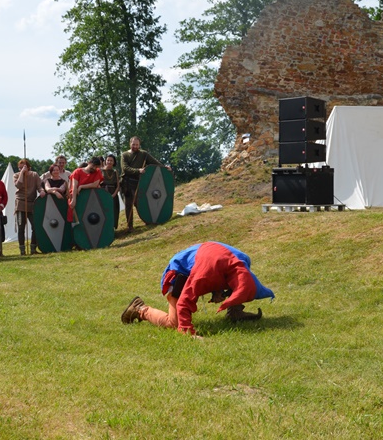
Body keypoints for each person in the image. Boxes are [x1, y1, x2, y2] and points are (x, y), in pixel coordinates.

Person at [121, 241, 274, 336]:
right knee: (173, 324)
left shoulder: (243, 261)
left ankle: (235, 312)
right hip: (178, 274)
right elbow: (184, 302)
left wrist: (219, 291)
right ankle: (140, 309)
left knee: (241, 282)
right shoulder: (205, 274)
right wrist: (187, 330)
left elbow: (234, 277)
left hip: (206, 263)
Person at [120, 137, 166, 233]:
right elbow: (125, 168)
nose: (135, 146)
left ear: (139, 145)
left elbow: (155, 163)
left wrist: (165, 168)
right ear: (130, 144)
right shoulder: (124, 155)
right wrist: (138, 170)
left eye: (137, 145)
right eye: (133, 144)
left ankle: (147, 220)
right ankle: (130, 226)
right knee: (128, 205)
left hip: (139, 182)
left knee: (140, 203)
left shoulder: (144, 154)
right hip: (127, 183)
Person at [13, 159, 45, 255]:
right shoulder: (16, 175)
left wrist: (41, 191)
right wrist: (22, 173)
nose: (21, 169)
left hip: (32, 204)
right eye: (19, 168)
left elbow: (39, 186)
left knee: (35, 226)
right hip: (21, 204)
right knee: (21, 228)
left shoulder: (34, 175)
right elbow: (18, 185)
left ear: (28, 167)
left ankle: (33, 248)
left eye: (23, 167)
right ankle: (22, 250)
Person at [68, 157, 104, 223]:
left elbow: (95, 184)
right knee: (75, 219)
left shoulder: (97, 171)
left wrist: (82, 186)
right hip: (77, 196)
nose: (94, 168)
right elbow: (74, 186)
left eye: (96, 167)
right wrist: (73, 199)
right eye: (93, 165)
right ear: (89, 163)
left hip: (91, 198)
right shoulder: (77, 171)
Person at [101, 153, 121, 230]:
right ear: (105, 161)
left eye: (111, 160)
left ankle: (112, 228)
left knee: (113, 211)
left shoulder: (115, 172)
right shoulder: (100, 171)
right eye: (108, 160)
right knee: (104, 211)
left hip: (113, 194)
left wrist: (114, 194)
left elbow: (118, 185)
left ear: (114, 162)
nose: (109, 162)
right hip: (103, 193)